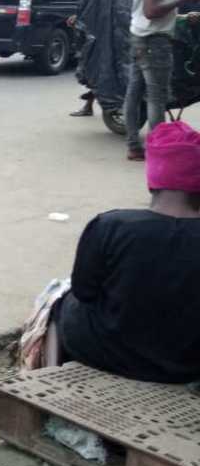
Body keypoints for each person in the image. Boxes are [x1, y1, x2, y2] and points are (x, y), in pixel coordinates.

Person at [54, 120, 200, 382]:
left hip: (108, 354)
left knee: (58, 301)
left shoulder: (111, 225)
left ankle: (51, 378)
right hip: (188, 365)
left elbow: (84, 292)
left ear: (153, 180)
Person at [124, 0, 200, 161]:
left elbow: (149, 12)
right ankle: (159, 152)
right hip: (154, 42)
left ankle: (134, 146)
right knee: (156, 97)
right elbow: (151, 11)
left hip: (140, 38)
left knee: (135, 93)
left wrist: (182, 16)